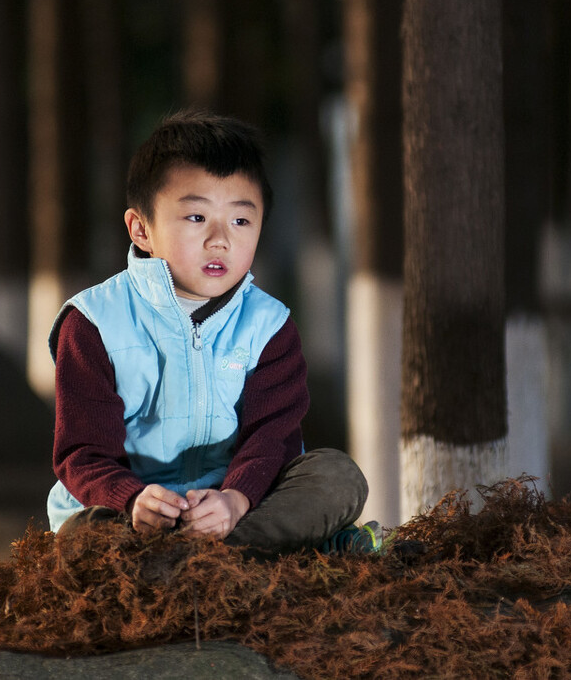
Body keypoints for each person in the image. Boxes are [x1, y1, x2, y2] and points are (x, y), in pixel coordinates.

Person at [46, 110, 375, 554]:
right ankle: (259, 554)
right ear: (141, 229)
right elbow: (82, 453)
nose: (220, 239)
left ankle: (212, 553)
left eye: (241, 221)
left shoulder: (269, 326)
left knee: (338, 476)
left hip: (233, 506)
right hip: (128, 513)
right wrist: (131, 501)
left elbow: (272, 439)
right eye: (196, 218)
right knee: (83, 537)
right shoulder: (93, 323)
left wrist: (234, 499)